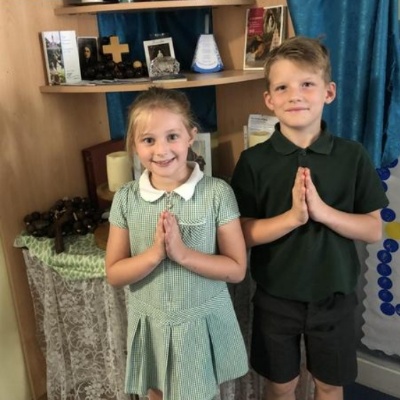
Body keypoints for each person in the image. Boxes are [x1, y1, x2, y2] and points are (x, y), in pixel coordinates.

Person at [231, 36, 389, 400]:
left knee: (329, 385)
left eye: (307, 84)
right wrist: (292, 217)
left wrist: (323, 213)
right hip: (275, 299)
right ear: (269, 99)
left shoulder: (352, 156)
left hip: (334, 298)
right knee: (281, 386)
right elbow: (240, 233)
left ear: (328, 92)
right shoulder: (254, 162)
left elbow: (373, 229)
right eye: (282, 87)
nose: (295, 96)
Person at [106, 87, 248, 400]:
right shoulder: (126, 198)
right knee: (156, 394)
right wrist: (155, 254)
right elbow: (114, 273)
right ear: (133, 144)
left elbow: (237, 269)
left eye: (172, 136)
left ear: (190, 137)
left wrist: (182, 254)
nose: (161, 150)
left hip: (199, 323)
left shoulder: (217, 193)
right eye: (148, 140)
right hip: (152, 323)